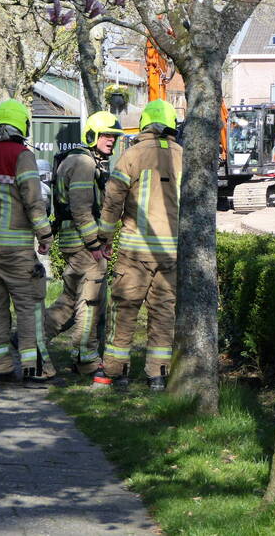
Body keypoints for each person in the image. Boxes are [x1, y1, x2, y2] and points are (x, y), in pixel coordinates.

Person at [93, 99, 182, 392]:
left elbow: (113, 201)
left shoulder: (132, 155)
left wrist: (105, 238)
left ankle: (115, 371)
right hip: (171, 254)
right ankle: (158, 375)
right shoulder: (184, 156)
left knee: (125, 309)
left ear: (144, 124)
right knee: (163, 313)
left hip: (135, 250)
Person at [0, 99, 55, 386]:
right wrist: (45, 236)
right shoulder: (22, 156)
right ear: (22, 126)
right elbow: (33, 200)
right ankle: (34, 369)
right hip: (16, 251)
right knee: (28, 307)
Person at [41, 111, 125, 377]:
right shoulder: (84, 163)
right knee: (89, 303)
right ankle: (86, 358)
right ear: (92, 135)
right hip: (84, 246)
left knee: (69, 302)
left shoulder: (79, 159)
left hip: (74, 242)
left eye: (114, 136)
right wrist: (94, 244)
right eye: (106, 135)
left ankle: (29, 339)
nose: (111, 140)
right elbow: (80, 209)